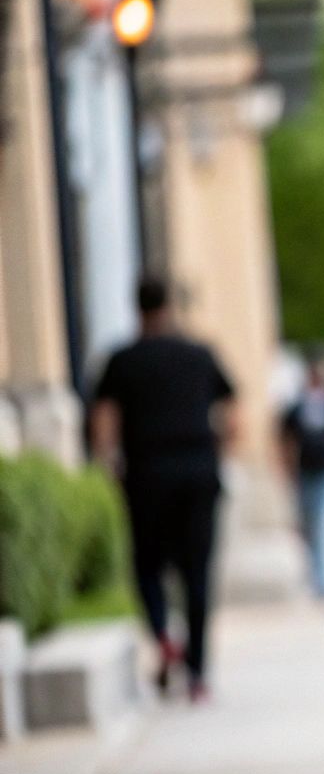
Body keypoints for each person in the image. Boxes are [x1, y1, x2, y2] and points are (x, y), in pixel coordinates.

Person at [89, 277, 236, 703]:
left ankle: (162, 634)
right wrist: (216, 451)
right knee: (197, 573)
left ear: (137, 309)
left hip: (147, 473)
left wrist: (107, 464)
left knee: (147, 565)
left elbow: (104, 420)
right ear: (169, 307)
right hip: (197, 470)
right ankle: (198, 675)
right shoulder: (199, 354)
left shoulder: (121, 360)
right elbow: (234, 411)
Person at [280, 351, 324, 603]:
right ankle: (317, 578)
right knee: (310, 527)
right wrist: (287, 470)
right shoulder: (297, 406)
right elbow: (287, 440)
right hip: (304, 470)